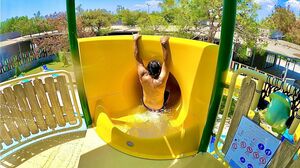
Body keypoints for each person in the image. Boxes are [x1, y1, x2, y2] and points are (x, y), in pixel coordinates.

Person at [133, 34, 170, 112]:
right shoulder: (161, 81)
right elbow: (166, 62)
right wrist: (164, 43)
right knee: (168, 90)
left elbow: (137, 58)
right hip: (159, 107)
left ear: (147, 70)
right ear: (159, 71)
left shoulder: (143, 76)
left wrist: (135, 40)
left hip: (146, 105)